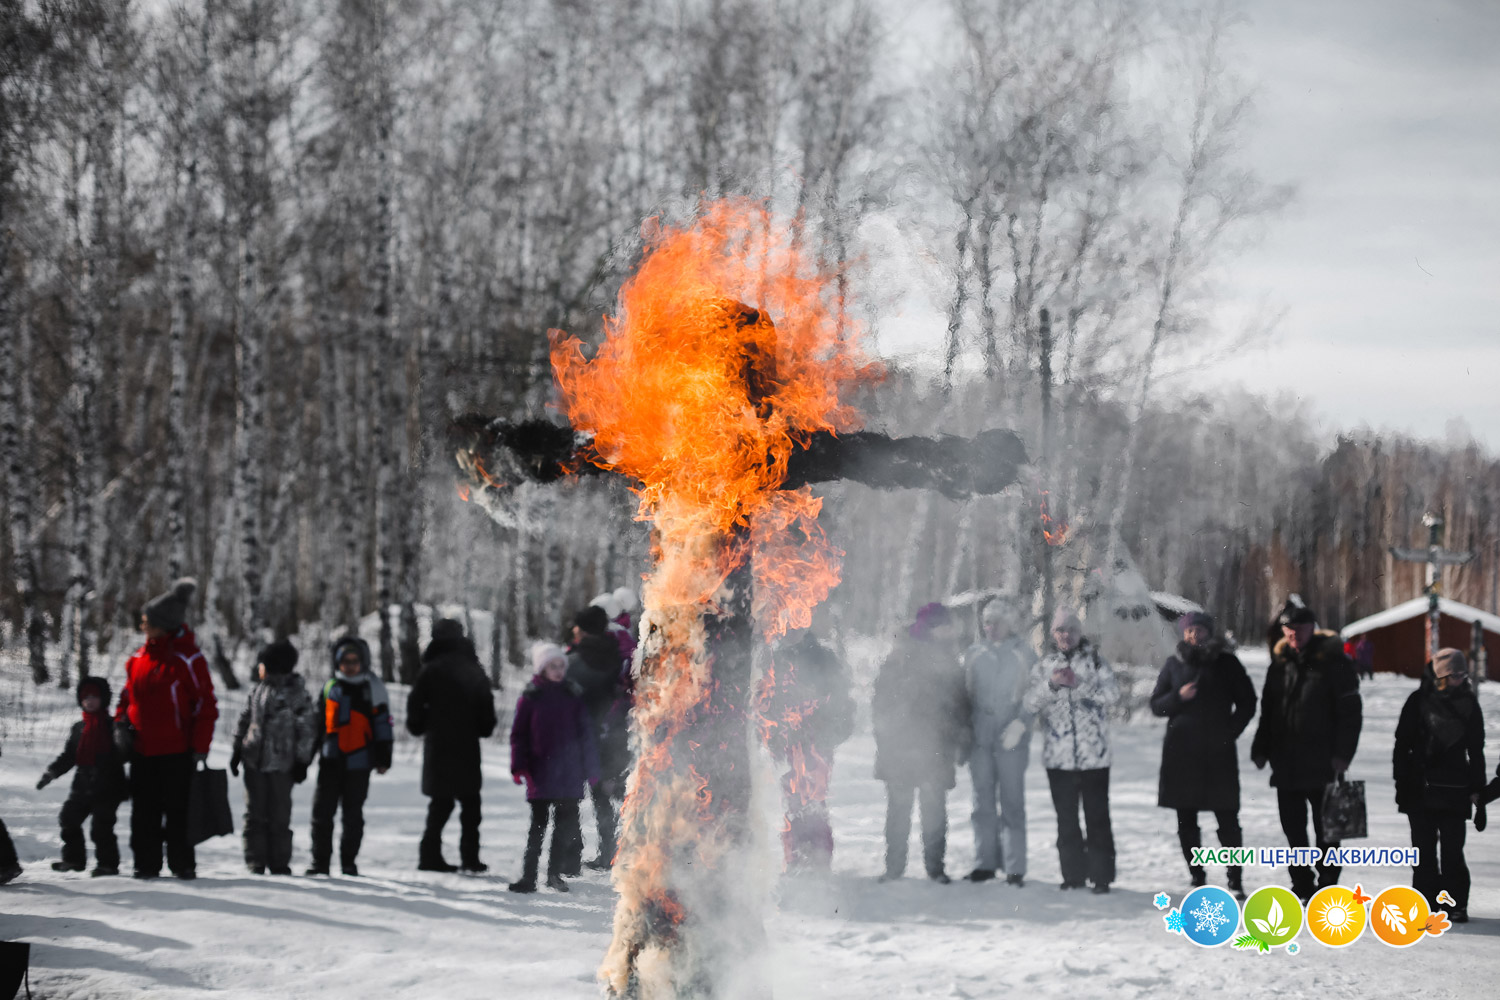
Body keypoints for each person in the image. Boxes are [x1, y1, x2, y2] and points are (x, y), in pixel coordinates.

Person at [1250, 601, 1362, 902]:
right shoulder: (1279, 665)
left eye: (1299, 628)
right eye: (1288, 629)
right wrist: (1260, 748)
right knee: (1293, 830)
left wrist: (1343, 754)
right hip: (1286, 762)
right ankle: (1301, 881)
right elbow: (1268, 710)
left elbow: (1351, 714)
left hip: (1324, 761)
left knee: (1328, 829)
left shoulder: (1335, 663)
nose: (1293, 634)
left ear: (1313, 628)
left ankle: (1327, 881)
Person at [114, 577, 216, 880]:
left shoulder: (188, 659)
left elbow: (205, 706)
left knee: (178, 811)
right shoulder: (138, 659)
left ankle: (182, 864)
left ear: (163, 624)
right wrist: (121, 725)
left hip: (177, 752)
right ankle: (145, 864)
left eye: (147, 621)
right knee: (143, 811)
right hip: (143, 750)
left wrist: (199, 747)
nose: (143, 626)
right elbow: (126, 698)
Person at [1150, 611, 1257, 898]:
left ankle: (1235, 880)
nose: (1194, 635)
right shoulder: (1174, 665)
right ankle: (1197, 876)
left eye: (1199, 630)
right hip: (1181, 755)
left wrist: (1229, 732)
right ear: (1183, 634)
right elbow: (1156, 705)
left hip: (1218, 755)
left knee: (1228, 821)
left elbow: (1248, 702)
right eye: (1189, 631)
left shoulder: (1227, 664)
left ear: (1209, 632)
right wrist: (1177, 698)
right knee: (1186, 820)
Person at [872, 602, 969, 884]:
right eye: (942, 625)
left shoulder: (949, 660)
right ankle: (894, 868)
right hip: (901, 747)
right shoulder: (900, 657)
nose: (948, 631)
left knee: (934, 810)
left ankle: (935, 868)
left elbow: (961, 704)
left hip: (936, 749)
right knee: (899, 810)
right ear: (930, 628)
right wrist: (887, 737)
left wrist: (961, 735)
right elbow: (881, 701)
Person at [1024, 606, 1119, 893]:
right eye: (1061, 630)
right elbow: (1029, 703)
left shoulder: (1096, 662)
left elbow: (1112, 696)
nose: (1066, 635)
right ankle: (1072, 875)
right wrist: (1052, 685)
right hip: (1059, 758)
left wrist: (1078, 687)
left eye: (1072, 630)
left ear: (1080, 633)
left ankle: (1101, 877)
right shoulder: (1043, 667)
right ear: (1053, 634)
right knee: (1066, 820)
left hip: (1094, 758)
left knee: (1097, 818)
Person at [1393, 648, 1486, 922]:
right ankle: (1425, 903)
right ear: (1441, 676)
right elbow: (1402, 745)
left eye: (1463, 674)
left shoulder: (1469, 704)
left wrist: (1478, 790)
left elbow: (1476, 750)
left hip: (1456, 789)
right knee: (1422, 851)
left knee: (1452, 852)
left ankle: (1455, 904)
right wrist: (1401, 782)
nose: (1461, 679)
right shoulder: (1417, 701)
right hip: (1420, 787)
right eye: (1455, 674)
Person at [757, 630, 857, 871]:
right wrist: (772, 736)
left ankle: (819, 862)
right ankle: (795, 861)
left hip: (817, 745)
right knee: (793, 805)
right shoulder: (773, 658)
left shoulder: (824, 657)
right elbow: (764, 702)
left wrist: (830, 731)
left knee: (814, 804)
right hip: (787, 744)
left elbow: (842, 700)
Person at [408, 619, 498, 873]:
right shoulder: (472, 667)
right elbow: (486, 705)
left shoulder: (430, 668)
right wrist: (484, 727)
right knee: (470, 805)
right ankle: (470, 858)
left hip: (438, 745)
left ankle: (429, 855)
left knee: (440, 803)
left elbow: (415, 705)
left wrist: (421, 725)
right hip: (466, 745)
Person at [509, 642, 600, 893]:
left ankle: (554, 874)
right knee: (537, 828)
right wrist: (519, 767)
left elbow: (586, 736)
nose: (558, 671)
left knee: (563, 830)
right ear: (542, 669)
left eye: (561, 666)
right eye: (552, 666)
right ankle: (529, 877)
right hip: (541, 773)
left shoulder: (573, 696)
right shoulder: (531, 697)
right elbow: (519, 735)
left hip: (569, 774)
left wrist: (591, 769)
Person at [962, 598, 1035, 886]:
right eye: (988, 622)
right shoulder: (972, 654)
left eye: (999, 622)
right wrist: (966, 731)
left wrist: (1021, 723)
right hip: (981, 738)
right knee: (982, 803)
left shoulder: (1024, 654)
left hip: (1011, 739)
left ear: (1010, 625)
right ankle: (985, 863)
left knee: (1012, 803)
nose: (992, 628)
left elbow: (1035, 693)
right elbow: (963, 696)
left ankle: (1015, 867)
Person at [230, 639, 318, 875]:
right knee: (254, 812)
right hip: (254, 761)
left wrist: (302, 761)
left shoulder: (297, 694)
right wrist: (237, 749)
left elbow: (308, 729)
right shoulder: (258, 690)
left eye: (262, 664)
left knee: (279, 814)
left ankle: (279, 861)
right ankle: (255, 860)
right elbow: (245, 719)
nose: (259, 668)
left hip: (282, 764)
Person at [308, 636, 393, 876]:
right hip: (330, 760)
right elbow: (317, 725)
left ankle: (348, 862)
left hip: (359, 762)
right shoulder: (330, 687)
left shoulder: (372, 688)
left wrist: (383, 757)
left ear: (363, 661)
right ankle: (320, 863)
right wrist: (306, 758)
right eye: (345, 661)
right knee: (322, 813)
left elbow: (383, 724)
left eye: (355, 661)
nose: (350, 665)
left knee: (352, 815)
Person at [37, 677, 129, 875]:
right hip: (83, 783)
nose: (90, 700)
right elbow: (70, 755)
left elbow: (125, 754)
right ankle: (74, 860)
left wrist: (123, 735)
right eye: (86, 697)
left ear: (103, 699)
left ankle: (108, 865)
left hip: (108, 785)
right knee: (68, 818)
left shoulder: (113, 725)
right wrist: (51, 773)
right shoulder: (79, 727)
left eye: (95, 696)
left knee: (101, 827)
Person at [565, 605, 628, 871]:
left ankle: (571, 855)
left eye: (577, 626)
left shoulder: (576, 660)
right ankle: (608, 853)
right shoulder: (617, 654)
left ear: (584, 628)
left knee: (570, 797)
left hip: (580, 735)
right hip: (610, 733)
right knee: (603, 795)